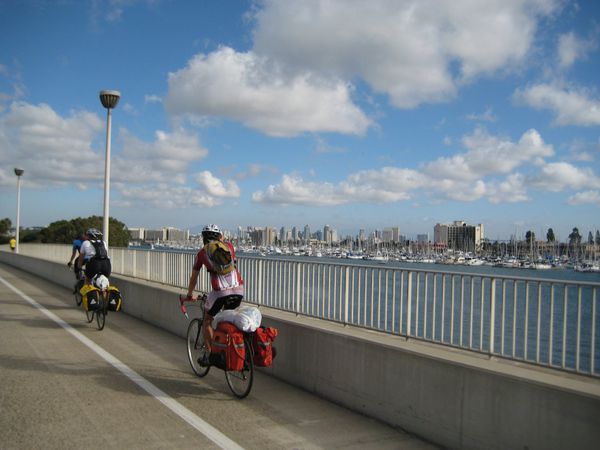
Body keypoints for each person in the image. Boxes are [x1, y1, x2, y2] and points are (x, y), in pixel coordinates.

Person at [185, 224, 244, 360]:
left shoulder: (202, 253)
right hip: (239, 290)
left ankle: (211, 354)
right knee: (229, 320)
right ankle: (234, 350)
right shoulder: (229, 247)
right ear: (220, 236)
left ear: (203, 239)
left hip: (220, 293)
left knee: (207, 320)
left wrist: (189, 294)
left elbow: (194, 278)